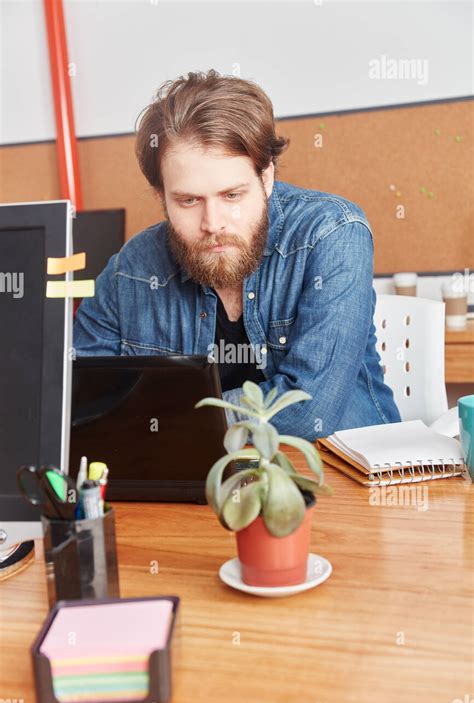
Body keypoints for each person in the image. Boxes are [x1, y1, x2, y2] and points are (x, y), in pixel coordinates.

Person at [73, 69, 401, 441]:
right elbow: (76, 400)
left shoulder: (333, 234)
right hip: (197, 485)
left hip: (343, 480)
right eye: (189, 200)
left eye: (232, 196)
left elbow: (308, 411)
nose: (213, 223)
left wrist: (164, 417)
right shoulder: (131, 270)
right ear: (161, 197)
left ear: (266, 178)